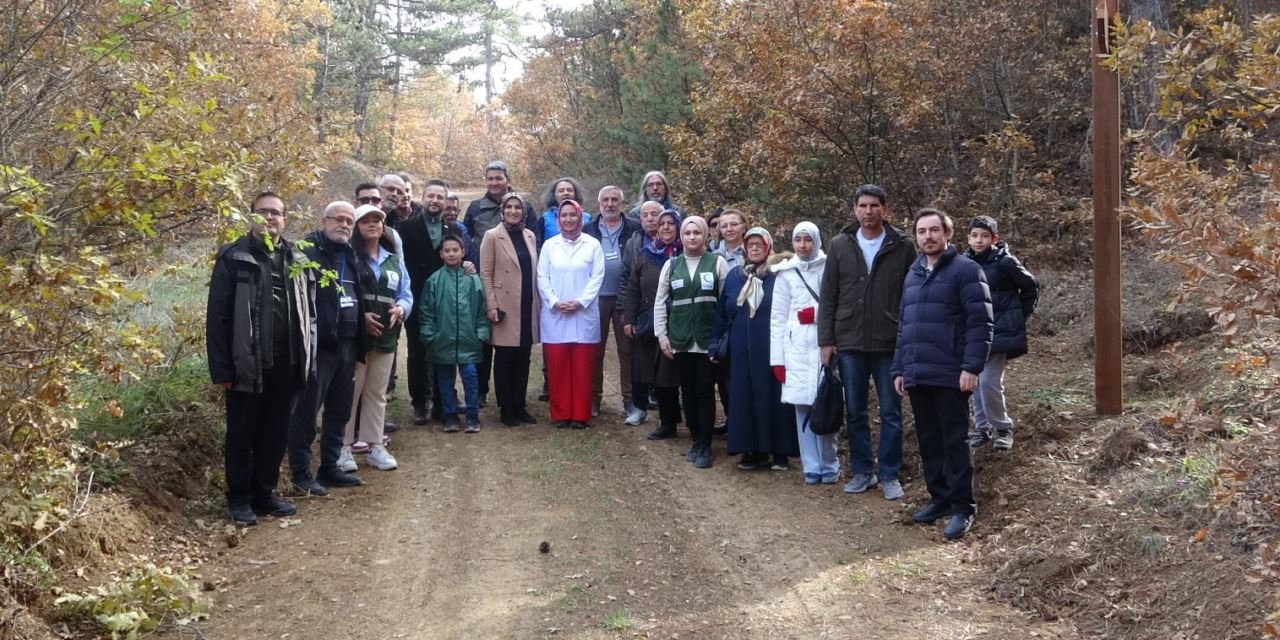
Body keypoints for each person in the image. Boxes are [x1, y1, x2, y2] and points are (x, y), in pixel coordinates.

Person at [207, 192, 315, 525]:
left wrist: (308, 359)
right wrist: (222, 367)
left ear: (285, 218)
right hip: (246, 363)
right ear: (251, 217)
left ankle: (264, 493)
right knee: (241, 433)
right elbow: (218, 316)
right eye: (262, 213)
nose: (269, 219)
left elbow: (309, 312)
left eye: (276, 213)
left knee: (275, 432)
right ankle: (239, 498)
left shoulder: (297, 257)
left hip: (288, 363)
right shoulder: (234, 257)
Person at [893, 208, 993, 541]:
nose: (927, 237)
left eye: (934, 230)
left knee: (955, 441)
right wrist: (899, 368)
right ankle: (940, 499)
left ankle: (963, 507)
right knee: (929, 440)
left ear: (947, 234)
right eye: (921, 232)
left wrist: (971, 367)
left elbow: (980, 324)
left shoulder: (967, 270)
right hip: (918, 372)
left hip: (952, 373)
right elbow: (905, 326)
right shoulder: (912, 273)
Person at [818, 184, 916, 500]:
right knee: (856, 411)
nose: (868, 211)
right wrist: (826, 340)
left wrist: (907, 338)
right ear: (854, 209)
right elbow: (828, 295)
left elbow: (910, 295)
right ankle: (862, 471)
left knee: (891, 411)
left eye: (874, 205)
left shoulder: (902, 245)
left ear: (885, 209)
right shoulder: (839, 245)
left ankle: (889, 474)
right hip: (849, 342)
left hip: (889, 342)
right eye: (863, 205)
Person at [288, 201, 374, 495]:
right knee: (306, 413)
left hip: (348, 345)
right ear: (323, 221)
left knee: (339, 412)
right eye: (339, 219)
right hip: (317, 348)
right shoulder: (305, 252)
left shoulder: (350, 254)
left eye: (350, 221)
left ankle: (330, 467)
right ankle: (300, 474)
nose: (345, 225)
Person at [712, 227, 798, 471]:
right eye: (750, 245)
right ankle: (752, 450)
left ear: (769, 246)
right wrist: (714, 342)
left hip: (771, 346)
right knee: (744, 397)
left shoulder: (780, 274)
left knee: (773, 396)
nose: (755, 248)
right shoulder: (735, 276)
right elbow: (722, 312)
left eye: (760, 244)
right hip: (741, 347)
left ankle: (779, 450)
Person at [337, 204, 410, 473]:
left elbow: (406, 292)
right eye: (365, 221)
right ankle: (343, 447)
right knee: (350, 392)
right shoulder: (347, 257)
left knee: (377, 393)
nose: (372, 225)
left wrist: (401, 308)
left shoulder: (393, 259)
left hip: (386, 336)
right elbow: (340, 292)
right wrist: (361, 318)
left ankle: (374, 445)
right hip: (355, 337)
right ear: (356, 226)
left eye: (376, 221)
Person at [400, 179, 477, 425]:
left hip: (445, 300)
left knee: (444, 350)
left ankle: (444, 403)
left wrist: (467, 264)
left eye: (439, 197)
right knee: (417, 349)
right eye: (430, 196)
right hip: (414, 296)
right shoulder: (406, 228)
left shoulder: (452, 230)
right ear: (423, 198)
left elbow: (463, 255)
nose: (434, 201)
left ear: (446, 201)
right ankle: (420, 402)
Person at [655, 215, 729, 468]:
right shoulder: (672, 264)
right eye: (687, 233)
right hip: (680, 339)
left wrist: (721, 339)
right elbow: (660, 303)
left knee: (705, 390)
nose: (692, 237)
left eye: (697, 232)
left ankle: (706, 444)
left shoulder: (717, 263)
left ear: (705, 235)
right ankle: (695, 440)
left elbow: (727, 304)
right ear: (681, 237)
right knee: (687, 390)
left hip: (708, 339)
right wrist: (662, 336)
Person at [770, 222, 838, 485]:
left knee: (826, 404)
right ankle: (811, 465)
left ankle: (830, 463)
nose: (802, 245)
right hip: (796, 349)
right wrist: (777, 360)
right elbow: (777, 319)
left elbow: (839, 304)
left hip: (825, 347)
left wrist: (818, 317)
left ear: (816, 241)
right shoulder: (786, 273)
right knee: (802, 408)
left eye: (807, 240)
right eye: (798, 240)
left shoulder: (830, 267)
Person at [964, 215, 1038, 451]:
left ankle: (1003, 427)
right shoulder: (964, 263)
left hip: (999, 332)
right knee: (974, 381)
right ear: (968, 237)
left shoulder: (1005, 262)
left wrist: (1017, 316)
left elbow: (1030, 287)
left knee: (988, 381)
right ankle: (981, 427)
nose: (979, 240)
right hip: (973, 332)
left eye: (984, 236)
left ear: (994, 238)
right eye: (975, 235)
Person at [537, 199, 606, 429]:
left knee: (582, 368)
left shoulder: (593, 244)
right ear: (558, 219)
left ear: (580, 217)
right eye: (564, 215)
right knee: (558, 367)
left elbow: (597, 277)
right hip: (555, 315)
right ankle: (560, 413)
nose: (568, 219)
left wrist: (581, 302)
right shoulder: (549, 246)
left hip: (583, 314)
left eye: (572, 215)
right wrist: (555, 302)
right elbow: (542, 277)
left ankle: (580, 414)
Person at [480, 193, 541, 427]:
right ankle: (506, 408)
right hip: (505, 305)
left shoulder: (529, 235)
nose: (514, 211)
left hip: (527, 302)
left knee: (523, 357)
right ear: (502, 210)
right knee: (505, 358)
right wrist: (492, 304)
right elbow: (485, 273)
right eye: (509, 207)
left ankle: (520, 404)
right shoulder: (492, 236)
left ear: (523, 212)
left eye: (518, 207)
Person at [584, 185, 643, 420]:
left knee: (627, 350)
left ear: (622, 203)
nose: (610, 204)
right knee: (595, 350)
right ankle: (593, 398)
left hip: (625, 298)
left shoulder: (634, 228)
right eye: (606, 200)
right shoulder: (587, 229)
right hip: (594, 298)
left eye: (615, 200)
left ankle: (630, 400)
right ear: (599, 203)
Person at [421, 234, 491, 433]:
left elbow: (481, 308)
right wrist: (430, 335)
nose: (451, 254)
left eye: (455, 250)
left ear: (463, 252)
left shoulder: (473, 280)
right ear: (441, 254)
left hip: (469, 340)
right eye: (447, 250)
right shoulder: (434, 281)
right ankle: (449, 416)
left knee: (470, 377)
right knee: (444, 379)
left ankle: (472, 416)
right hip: (442, 341)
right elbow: (426, 311)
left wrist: (481, 333)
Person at [624, 206, 683, 439]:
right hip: (648, 319)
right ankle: (663, 421)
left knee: (671, 374)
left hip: (679, 320)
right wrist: (629, 318)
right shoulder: (647, 254)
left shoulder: (687, 253)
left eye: (671, 223)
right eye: (662, 224)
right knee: (650, 371)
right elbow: (632, 287)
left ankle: (679, 419)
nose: (666, 227)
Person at [710, 208, 747, 434]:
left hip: (746, 319)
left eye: (734, 224)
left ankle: (745, 423)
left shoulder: (753, 250)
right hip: (721, 319)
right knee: (724, 375)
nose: (729, 229)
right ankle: (731, 419)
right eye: (724, 226)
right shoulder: (713, 254)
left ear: (744, 226)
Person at [465, 160, 531, 244]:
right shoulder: (475, 207)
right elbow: (465, 241)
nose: (494, 183)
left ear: (508, 181)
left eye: (499, 178)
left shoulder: (524, 207)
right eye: (490, 179)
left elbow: (535, 240)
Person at [536, 177, 591, 247]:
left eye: (569, 190)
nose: (566, 193)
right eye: (561, 191)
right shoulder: (545, 220)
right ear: (554, 195)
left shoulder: (587, 218)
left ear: (575, 194)